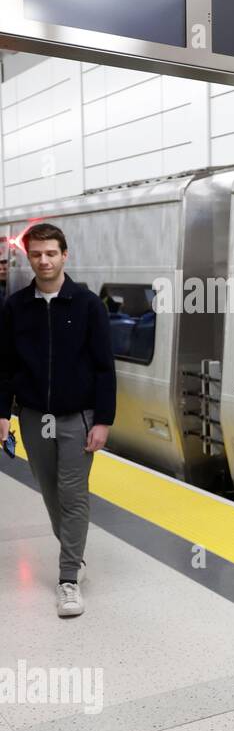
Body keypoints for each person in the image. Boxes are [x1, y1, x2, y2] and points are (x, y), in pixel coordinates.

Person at [0, 223, 114, 618]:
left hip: (78, 417)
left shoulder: (86, 305)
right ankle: (75, 554)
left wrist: (103, 420)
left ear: (65, 255)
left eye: (51, 253)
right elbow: (5, 367)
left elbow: (104, 368)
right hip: (33, 417)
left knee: (73, 492)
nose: (44, 260)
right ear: (28, 257)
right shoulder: (16, 307)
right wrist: (2, 412)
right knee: (50, 492)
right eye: (36, 254)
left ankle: (68, 577)